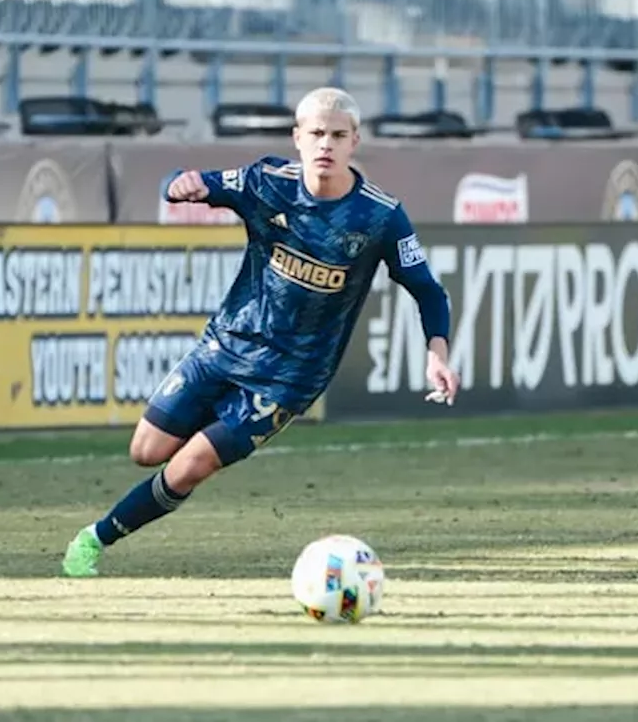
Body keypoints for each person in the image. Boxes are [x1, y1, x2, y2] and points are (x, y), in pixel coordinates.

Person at [61, 87, 460, 578]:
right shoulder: (265, 181)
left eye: (338, 135)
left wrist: (436, 353)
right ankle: (209, 426)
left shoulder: (381, 216)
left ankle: (93, 540)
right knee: (146, 452)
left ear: (355, 141)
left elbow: (428, 291)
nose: (325, 144)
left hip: (288, 378)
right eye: (316, 133)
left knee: (188, 467)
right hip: (225, 346)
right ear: (297, 137)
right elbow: (182, 183)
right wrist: (178, 185)